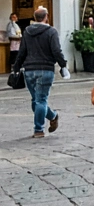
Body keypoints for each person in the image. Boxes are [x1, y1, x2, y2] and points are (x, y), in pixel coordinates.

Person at [14, 7, 68, 139]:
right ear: (46, 16)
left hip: (29, 70)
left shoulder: (27, 31)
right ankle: (40, 128)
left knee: (36, 100)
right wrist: (63, 65)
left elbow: (22, 51)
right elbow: (56, 50)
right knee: (40, 100)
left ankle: (51, 117)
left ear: (34, 17)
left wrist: (16, 67)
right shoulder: (51, 31)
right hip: (45, 69)